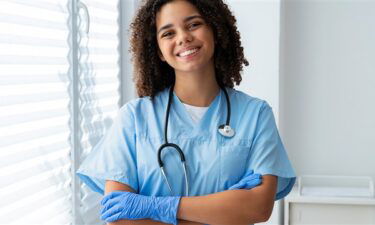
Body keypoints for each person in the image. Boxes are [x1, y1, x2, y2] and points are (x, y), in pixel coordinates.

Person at [76, 0, 296, 224]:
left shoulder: (255, 115)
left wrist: (158, 207)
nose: (183, 37)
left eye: (193, 25)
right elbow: (119, 219)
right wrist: (225, 211)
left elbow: (258, 208)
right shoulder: (134, 118)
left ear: (215, 30)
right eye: (168, 33)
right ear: (159, 51)